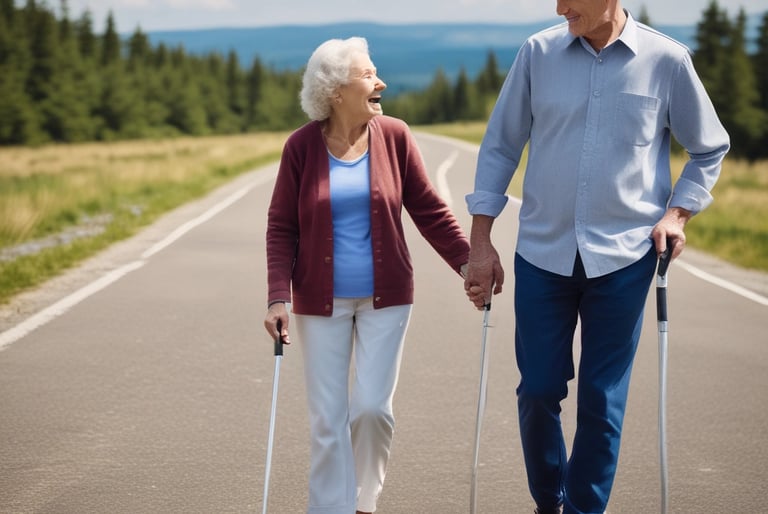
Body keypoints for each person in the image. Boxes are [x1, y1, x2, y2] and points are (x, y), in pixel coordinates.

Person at [463, 1, 729, 513]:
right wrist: (481, 242)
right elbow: (500, 146)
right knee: (538, 389)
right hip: (542, 252)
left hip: (626, 257)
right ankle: (549, 501)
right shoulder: (537, 54)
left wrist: (677, 214)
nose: (559, 7)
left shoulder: (667, 60)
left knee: (602, 400)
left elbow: (708, 148)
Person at [263, 37, 470, 514]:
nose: (381, 83)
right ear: (336, 91)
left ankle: (363, 501)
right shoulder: (300, 147)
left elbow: (429, 209)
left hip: (387, 297)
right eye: (368, 75)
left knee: (373, 410)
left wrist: (468, 262)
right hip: (319, 301)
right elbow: (281, 226)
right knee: (327, 420)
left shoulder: (394, 136)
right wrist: (278, 297)